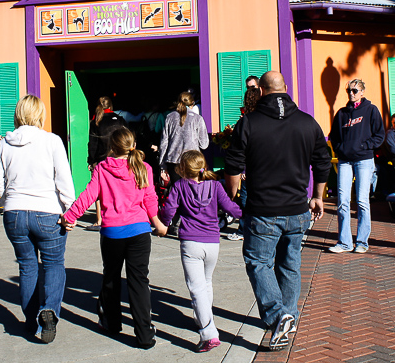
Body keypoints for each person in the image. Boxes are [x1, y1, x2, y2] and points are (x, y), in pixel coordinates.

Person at [224, 71, 330, 351]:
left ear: (261, 91)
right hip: (297, 208)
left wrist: (233, 194)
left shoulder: (248, 122)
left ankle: (277, 315)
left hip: (263, 209)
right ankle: (288, 318)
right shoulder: (307, 122)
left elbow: (233, 165)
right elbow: (322, 161)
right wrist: (317, 196)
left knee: (258, 262)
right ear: (285, 89)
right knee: (289, 265)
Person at [62, 127, 167, 349]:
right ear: (133, 146)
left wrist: (70, 216)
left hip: (112, 232)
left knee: (111, 278)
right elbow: (150, 198)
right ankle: (145, 335)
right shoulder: (144, 168)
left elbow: (88, 195)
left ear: (111, 146)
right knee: (139, 282)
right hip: (139, 231)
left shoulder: (102, 168)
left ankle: (111, 323)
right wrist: (157, 222)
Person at [0, 95, 75, 342]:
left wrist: (8, 198)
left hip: (14, 213)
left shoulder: (5, 143)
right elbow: (64, 180)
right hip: (47, 211)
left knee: (27, 266)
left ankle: (30, 320)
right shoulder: (52, 141)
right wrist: (69, 209)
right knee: (54, 264)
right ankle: (48, 311)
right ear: (40, 114)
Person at [159, 150, 241, 352]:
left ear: (182, 169)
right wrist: (249, 214)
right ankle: (203, 317)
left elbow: (169, 211)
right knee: (206, 283)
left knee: (196, 288)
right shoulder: (215, 186)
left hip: (191, 242)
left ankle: (208, 333)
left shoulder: (179, 186)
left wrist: (163, 224)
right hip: (213, 242)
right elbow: (231, 208)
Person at [328, 79, 384, 254]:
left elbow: (379, 135)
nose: (351, 93)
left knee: (362, 201)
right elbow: (333, 136)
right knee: (343, 201)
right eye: (349, 91)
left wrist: (363, 146)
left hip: (364, 160)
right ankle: (344, 242)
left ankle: (361, 242)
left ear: (362, 91)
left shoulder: (371, 110)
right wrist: (341, 149)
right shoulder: (342, 113)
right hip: (345, 161)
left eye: (354, 90)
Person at [87, 96, 128, 231]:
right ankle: (122, 215)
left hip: (101, 159)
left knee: (99, 189)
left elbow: (93, 144)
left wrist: (91, 161)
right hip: (119, 157)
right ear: (111, 106)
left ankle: (99, 220)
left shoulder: (96, 121)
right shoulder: (120, 119)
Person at [228, 86, 262, 242]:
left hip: (249, 168)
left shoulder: (245, 121)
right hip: (261, 168)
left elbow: (240, 151)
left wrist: (242, 169)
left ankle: (243, 229)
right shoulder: (262, 120)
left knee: (245, 199)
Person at [159, 91, 209, 186]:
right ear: (192, 104)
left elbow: (164, 143)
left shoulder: (169, 117)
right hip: (192, 161)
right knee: (192, 191)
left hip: (173, 161)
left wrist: (162, 166)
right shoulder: (197, 119)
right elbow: (204, 144)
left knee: (177, 192)